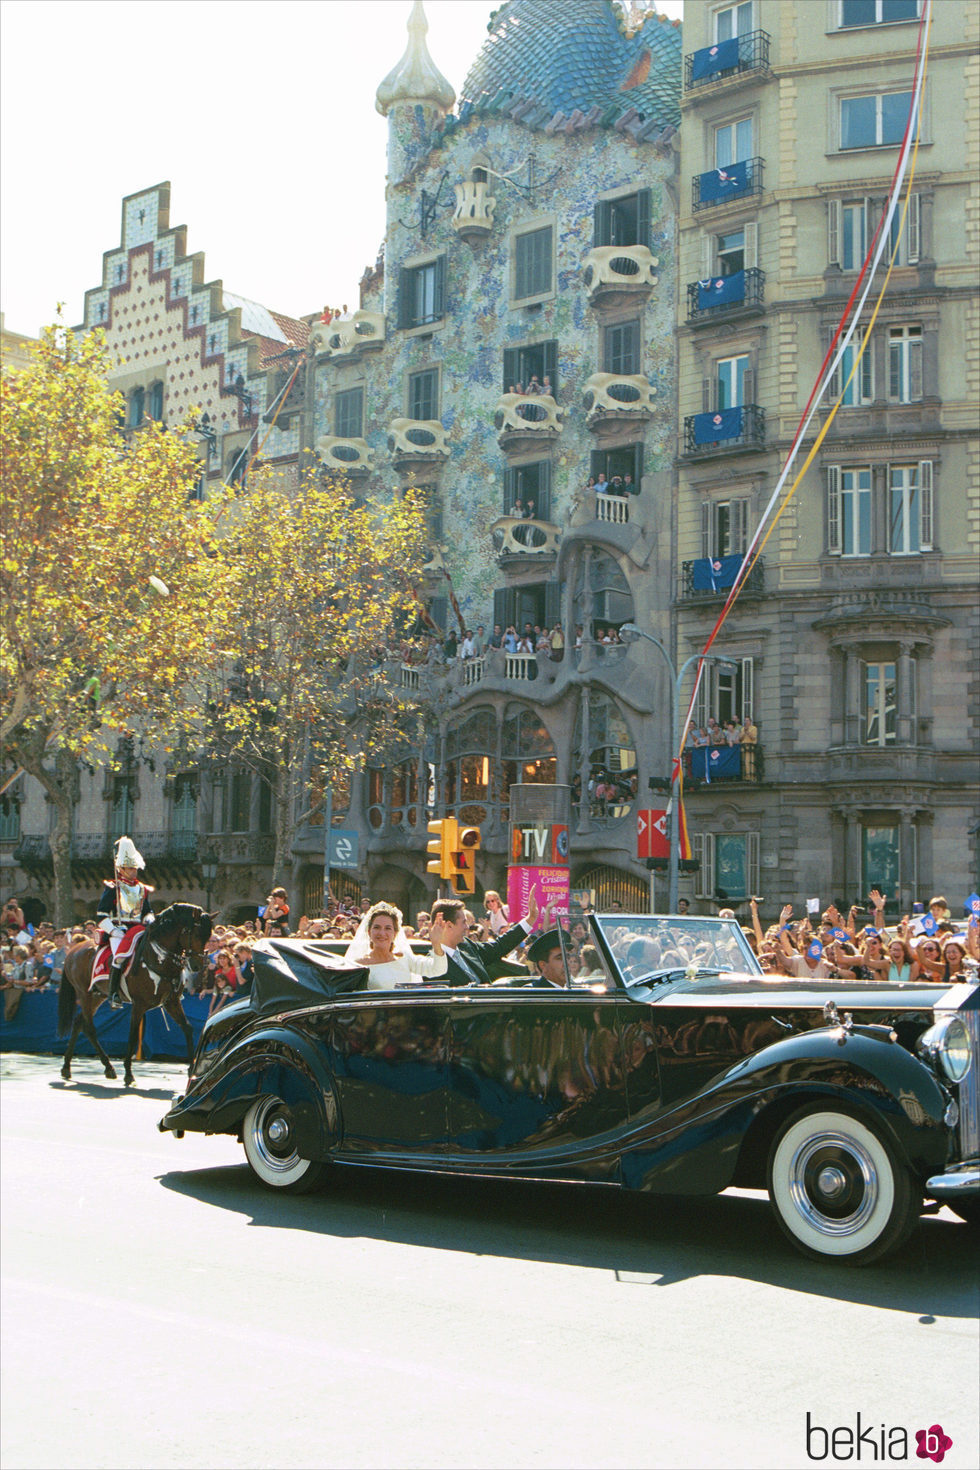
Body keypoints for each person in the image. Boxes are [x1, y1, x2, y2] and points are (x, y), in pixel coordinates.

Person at [431, 890, 539, 986]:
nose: (467, 927)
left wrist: (530, 919)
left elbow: (499, 946)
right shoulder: (432, 964)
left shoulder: (467, 947)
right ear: (449, 925)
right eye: (463, 922)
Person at [98, 835, 155, 1008]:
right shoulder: (113, 888)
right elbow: (101, 915)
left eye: (135, 868)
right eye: (130, 868)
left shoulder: (141, 889)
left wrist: (150, 918)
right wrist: (114, 931)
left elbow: (147, 911)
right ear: (121, 868)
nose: (134, 871)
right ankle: (113, 994)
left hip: (139, 928)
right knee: (119, 957)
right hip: (119, 930)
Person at [344, 900, 448, 988]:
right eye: (377, 927)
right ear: (369, 932)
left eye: (388, 928)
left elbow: (438, 969)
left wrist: (437, 944)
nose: (382, 933)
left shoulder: (405, 958)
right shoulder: (358, 965)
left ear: (395, 933)